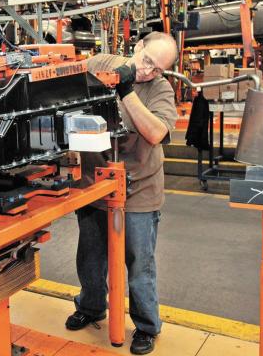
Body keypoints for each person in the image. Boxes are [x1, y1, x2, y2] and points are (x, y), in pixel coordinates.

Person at [66, 32, 179, 355]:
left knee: (139, 263)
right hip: (94, 183)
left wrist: (127, 89)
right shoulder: (100, 64)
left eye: (157, 69)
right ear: (137, 46)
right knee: (90, 256)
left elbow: (156, 132)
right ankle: (90, 307)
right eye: (146, 62)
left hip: (139, 189)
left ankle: (146, 326)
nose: (148, 71)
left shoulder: (159, 89)